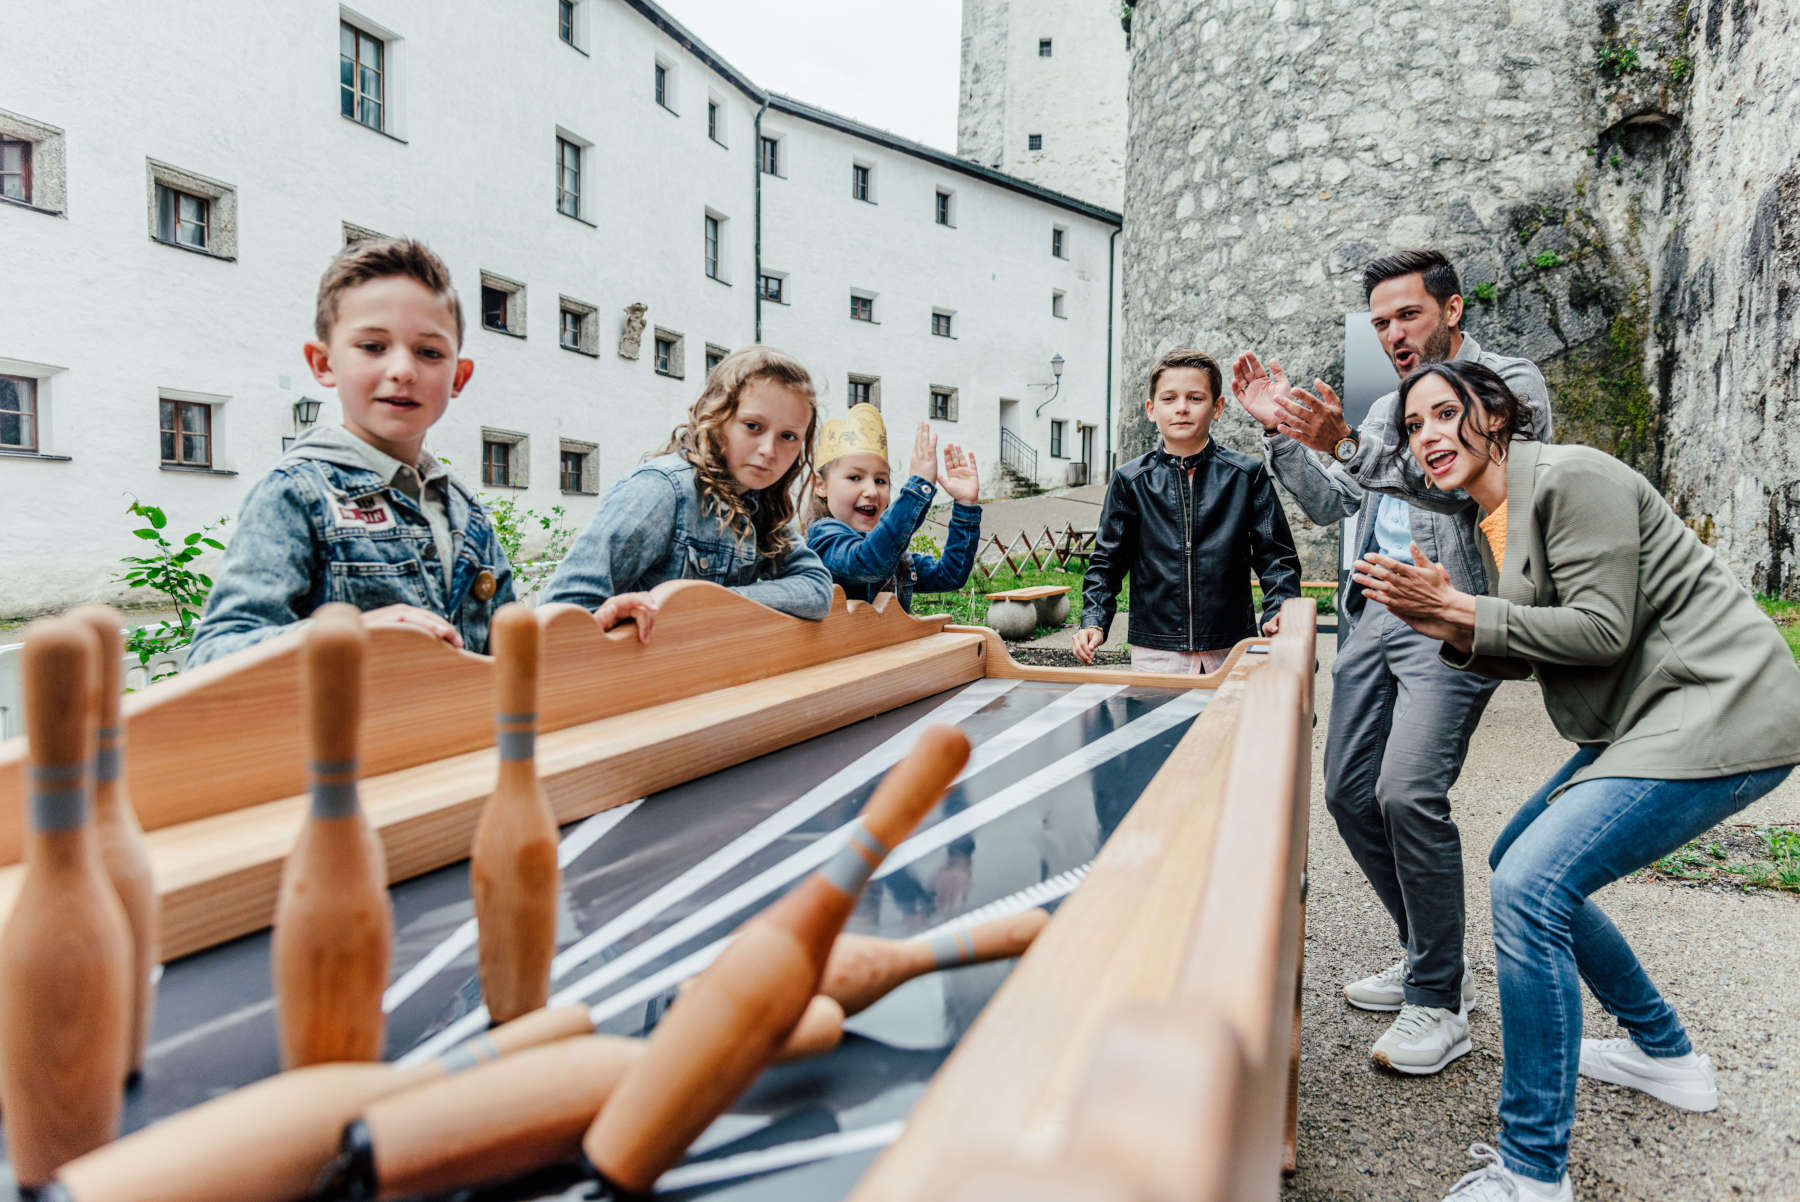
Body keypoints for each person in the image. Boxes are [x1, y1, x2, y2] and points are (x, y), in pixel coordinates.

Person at [1352, 358, 1800, 1201]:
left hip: (1723, 705)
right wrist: (1445, 619)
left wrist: (1457, 612)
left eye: (1446, 414)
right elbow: (1538, 643)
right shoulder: (1496, 517)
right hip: (1657, 714)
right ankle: (1664, 1055)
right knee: (1520, 857)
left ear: (1496, 414)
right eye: (1413, 427)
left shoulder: (1571, 477)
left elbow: (1598, 631)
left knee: (1530, 885)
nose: (1428, 437)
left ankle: (1532, 1172)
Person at [1233, 249, 1551, 1075]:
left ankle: (1440, 1001)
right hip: (1372, 612)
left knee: (1407, 791)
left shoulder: (1504, 381)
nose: (1392, 334)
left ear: (1449, 309)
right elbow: (1336, 500)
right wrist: (1287, 437)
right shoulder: (1388, 409)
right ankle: (1432, 956)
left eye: (1406, 315)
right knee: (1346, 792)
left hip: (1448, 614)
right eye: (1379, 323)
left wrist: (1347, 439)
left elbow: (1463, 480)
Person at [189, 238, 512, 667]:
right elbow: (212, 655)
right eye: (373, 347)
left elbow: (511, 647)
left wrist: (591, 629)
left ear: (459, 375)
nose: (402, 371)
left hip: (466, 734)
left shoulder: (464, 511)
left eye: (429, 352)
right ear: (323, 363)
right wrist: (351, 635)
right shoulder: (296, 496)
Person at [543, 346, 833, 639]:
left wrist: (713, 604)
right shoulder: (662, 490)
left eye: (788, 436)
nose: (769, 450)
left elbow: (816, 589)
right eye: (753, 426)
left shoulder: (760, 505)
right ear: (716, 417)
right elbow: (564, 608)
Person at [1074, 348, 1301, 674]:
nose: (1181, 408)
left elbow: (1276, 557)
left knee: (1229, 724)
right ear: (1152, 410)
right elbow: (1108, 561)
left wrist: (1279, 609)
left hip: (1231, 644)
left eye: (1195, 398)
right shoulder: (1130, 480)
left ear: (1218, 407)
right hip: (1156, 648)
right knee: (1159, 725)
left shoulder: (1245, 475)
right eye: (1169, 399)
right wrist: (1094, 620)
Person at [803, 405, 981, 611]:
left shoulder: (895, 557)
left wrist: (965, 506)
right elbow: (867, 562)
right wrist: (918, 488)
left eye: (880, 480)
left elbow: (950, 575)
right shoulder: (823, 539)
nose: (871, 491)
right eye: (854, 478)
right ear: (820, 485)